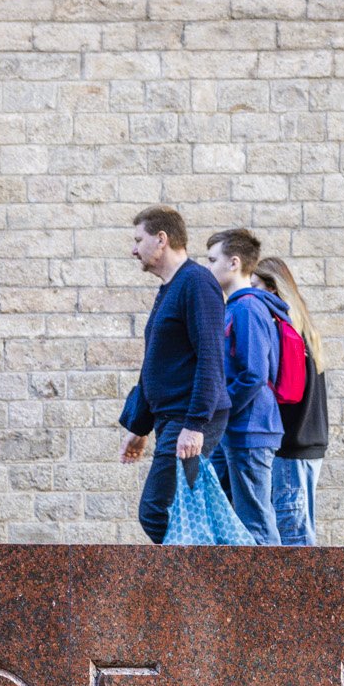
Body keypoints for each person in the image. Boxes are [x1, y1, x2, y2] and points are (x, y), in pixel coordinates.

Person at [117, 207, 230, 543]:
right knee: (185, 511)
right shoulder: (171, 287)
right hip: (172, 419)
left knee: (156, 509)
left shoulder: (196, 283)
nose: (134, 249)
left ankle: (200, 582)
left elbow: (210, 357)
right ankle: (203, 581)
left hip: (190, 420)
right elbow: (157, 364)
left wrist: (195, 425)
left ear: (162, 240)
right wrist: (139, 427)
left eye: (139, 240)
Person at [201, 228, 288, 543]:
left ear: (234, 262)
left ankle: (276, 589)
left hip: (249, 429)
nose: (208, 267)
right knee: (228, 516)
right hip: (235, 429)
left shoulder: (248, 308)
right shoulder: (235, 306)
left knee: (257, 523)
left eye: (213, 260)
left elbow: (254, 373)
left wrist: (223, 409)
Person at [256, 255, 329, 545]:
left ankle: (306, 593)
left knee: (293, 539)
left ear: (272, 289)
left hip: (290, 449)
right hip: (307, 444)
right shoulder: (303, 329)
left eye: (255, 285)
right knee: (298, 531)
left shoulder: (283, 330)